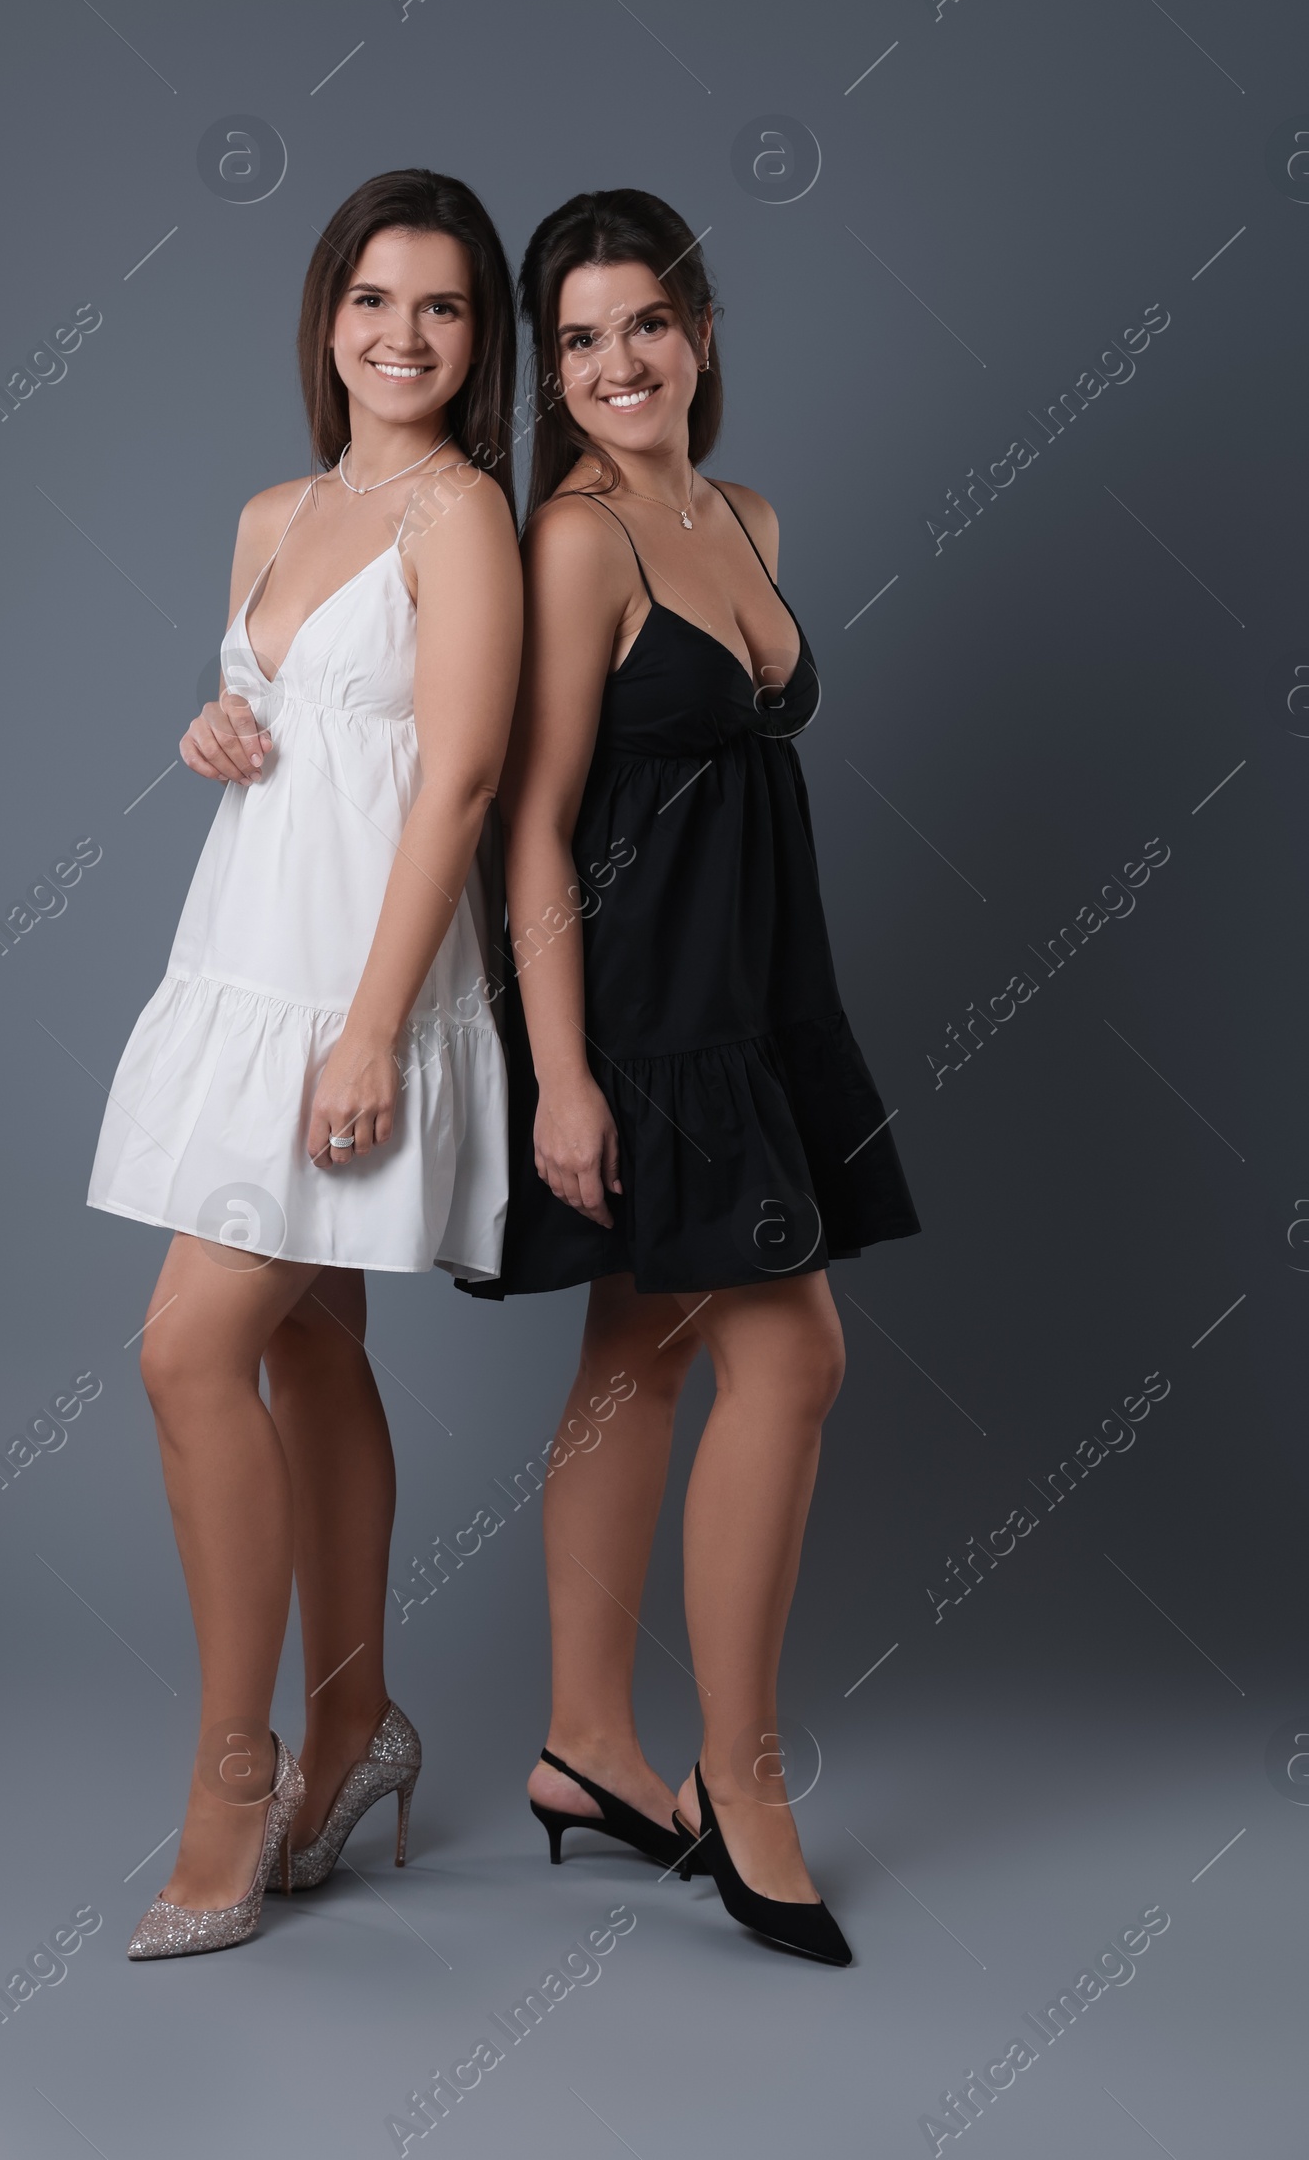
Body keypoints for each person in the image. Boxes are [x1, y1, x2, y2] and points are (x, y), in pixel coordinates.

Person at [461, 187, 920, 1965]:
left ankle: (586, 1745)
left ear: (699, 331)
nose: (614, 364)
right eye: (576, 341)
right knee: (791, 1353)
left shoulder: (744, 511)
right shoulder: (575, 542)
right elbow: (531, 827)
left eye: (643, 324)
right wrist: (560, 1076)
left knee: (640, 1352)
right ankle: (741, 1773)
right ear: (550, 371)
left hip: (756, 993)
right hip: (641, 1014)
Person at [88, 169, 522, 1958]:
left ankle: (235, 1775)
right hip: (243, 952)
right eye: (373, 299)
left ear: (477, 340)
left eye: (440, 309)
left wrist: (368, 1029)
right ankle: (361, 1723)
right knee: (310, 1342)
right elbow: (295, 723)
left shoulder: (466, 513)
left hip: (360, 992)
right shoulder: (274, 508)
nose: (401, 337)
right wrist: (219, 718)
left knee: (188, 1348)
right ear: (325, 314)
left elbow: (466, 780)